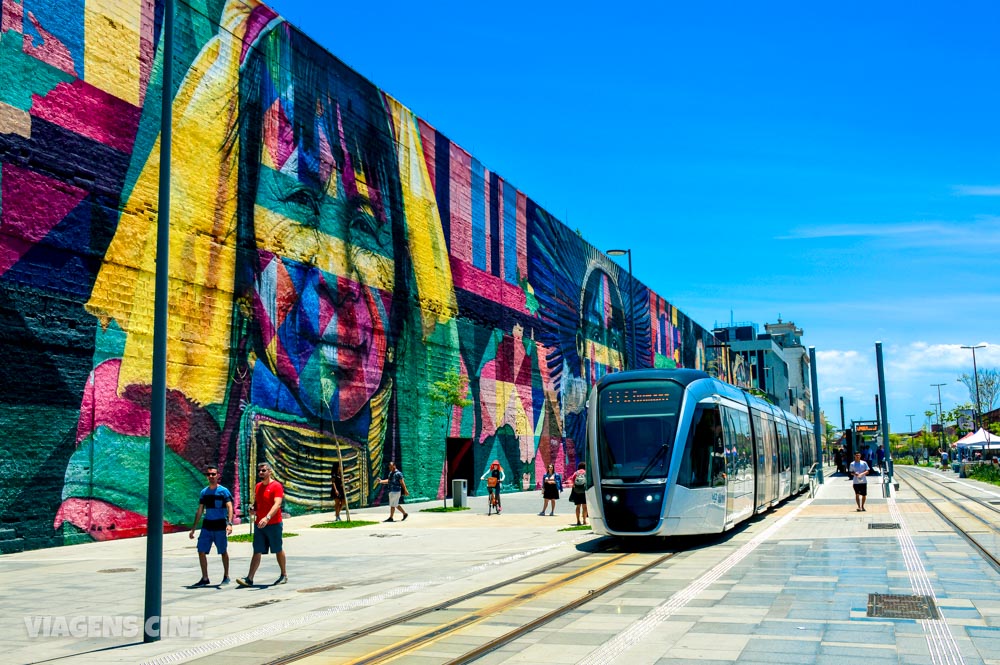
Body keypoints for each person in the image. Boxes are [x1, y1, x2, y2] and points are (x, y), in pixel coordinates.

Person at [236, 463, 288, 587]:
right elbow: (257, 503)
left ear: (270, 472)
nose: (261, 473)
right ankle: (249, 579)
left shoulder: (276, 486)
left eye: (263, 470)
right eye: (259, 471)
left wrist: (267, 517)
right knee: (257, 550)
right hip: (259, 525)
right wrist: (253, 508)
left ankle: (283, 574)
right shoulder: (258, 486)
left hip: (274, 524)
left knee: (277, 549)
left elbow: (277, 504)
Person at [188, 466, 234, 586]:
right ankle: (205, 578)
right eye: (209, 475)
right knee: (201, 550)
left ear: (217, 475)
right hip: (207, 526)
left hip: (220, 525)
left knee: (223, 551)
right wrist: (193, 529)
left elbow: (229, 507)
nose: (211, 477)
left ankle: (226, 576)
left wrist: (229, 524)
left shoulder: (224, 491)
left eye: (213, 474)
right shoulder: (204, 492)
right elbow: (200, 510)